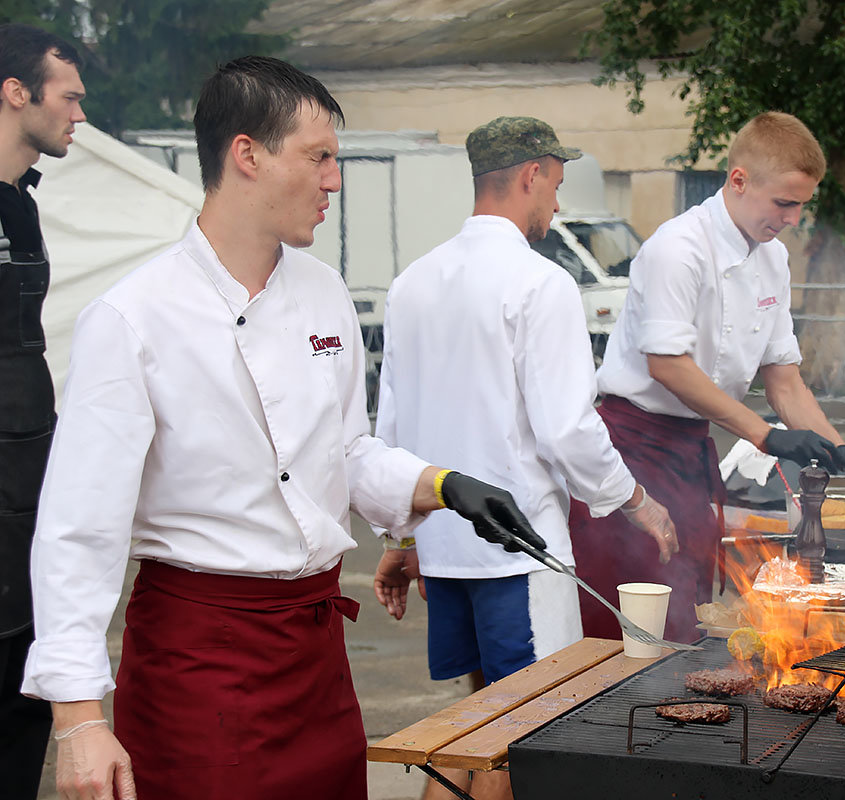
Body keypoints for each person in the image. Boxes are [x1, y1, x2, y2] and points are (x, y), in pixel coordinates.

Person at [21, 56, 548, 800]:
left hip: (315, 658)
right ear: (247, 155)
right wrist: (78, 721)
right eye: (319, 156)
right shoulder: (133, 317)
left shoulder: (323, 292)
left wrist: (442, 485)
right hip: (199, 661)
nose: (335, 180)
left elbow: (344, 453)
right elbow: (80, 530)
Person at [372, 116, 678, 800]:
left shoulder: (412, 283)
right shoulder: (541, 285)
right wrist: (636, 500)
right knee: (522, 736)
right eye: (557, 186)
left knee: (473, 726)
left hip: (447, 549)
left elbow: (388, 428)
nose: (558, 206)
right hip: (519, 553)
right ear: (531, 174)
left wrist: (400, 536)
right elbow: (568, 430)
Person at [569, 111, 845, 642]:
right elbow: (668, 365)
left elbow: (784, 380)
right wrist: (765, 436)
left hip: (690, 450)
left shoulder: (773, 259)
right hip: (631, 448)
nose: (793, 219)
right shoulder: (678, 248)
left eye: (802, 205)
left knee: (688, 610)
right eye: (784, 203)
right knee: (631, 623)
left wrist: (840, 449)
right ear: (738, 180)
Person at [0, 23, 86, 800]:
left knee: (24, 733)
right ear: (14, 92)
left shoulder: (23, 208)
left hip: (27, 510)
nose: (80, 116)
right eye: (69, 97)